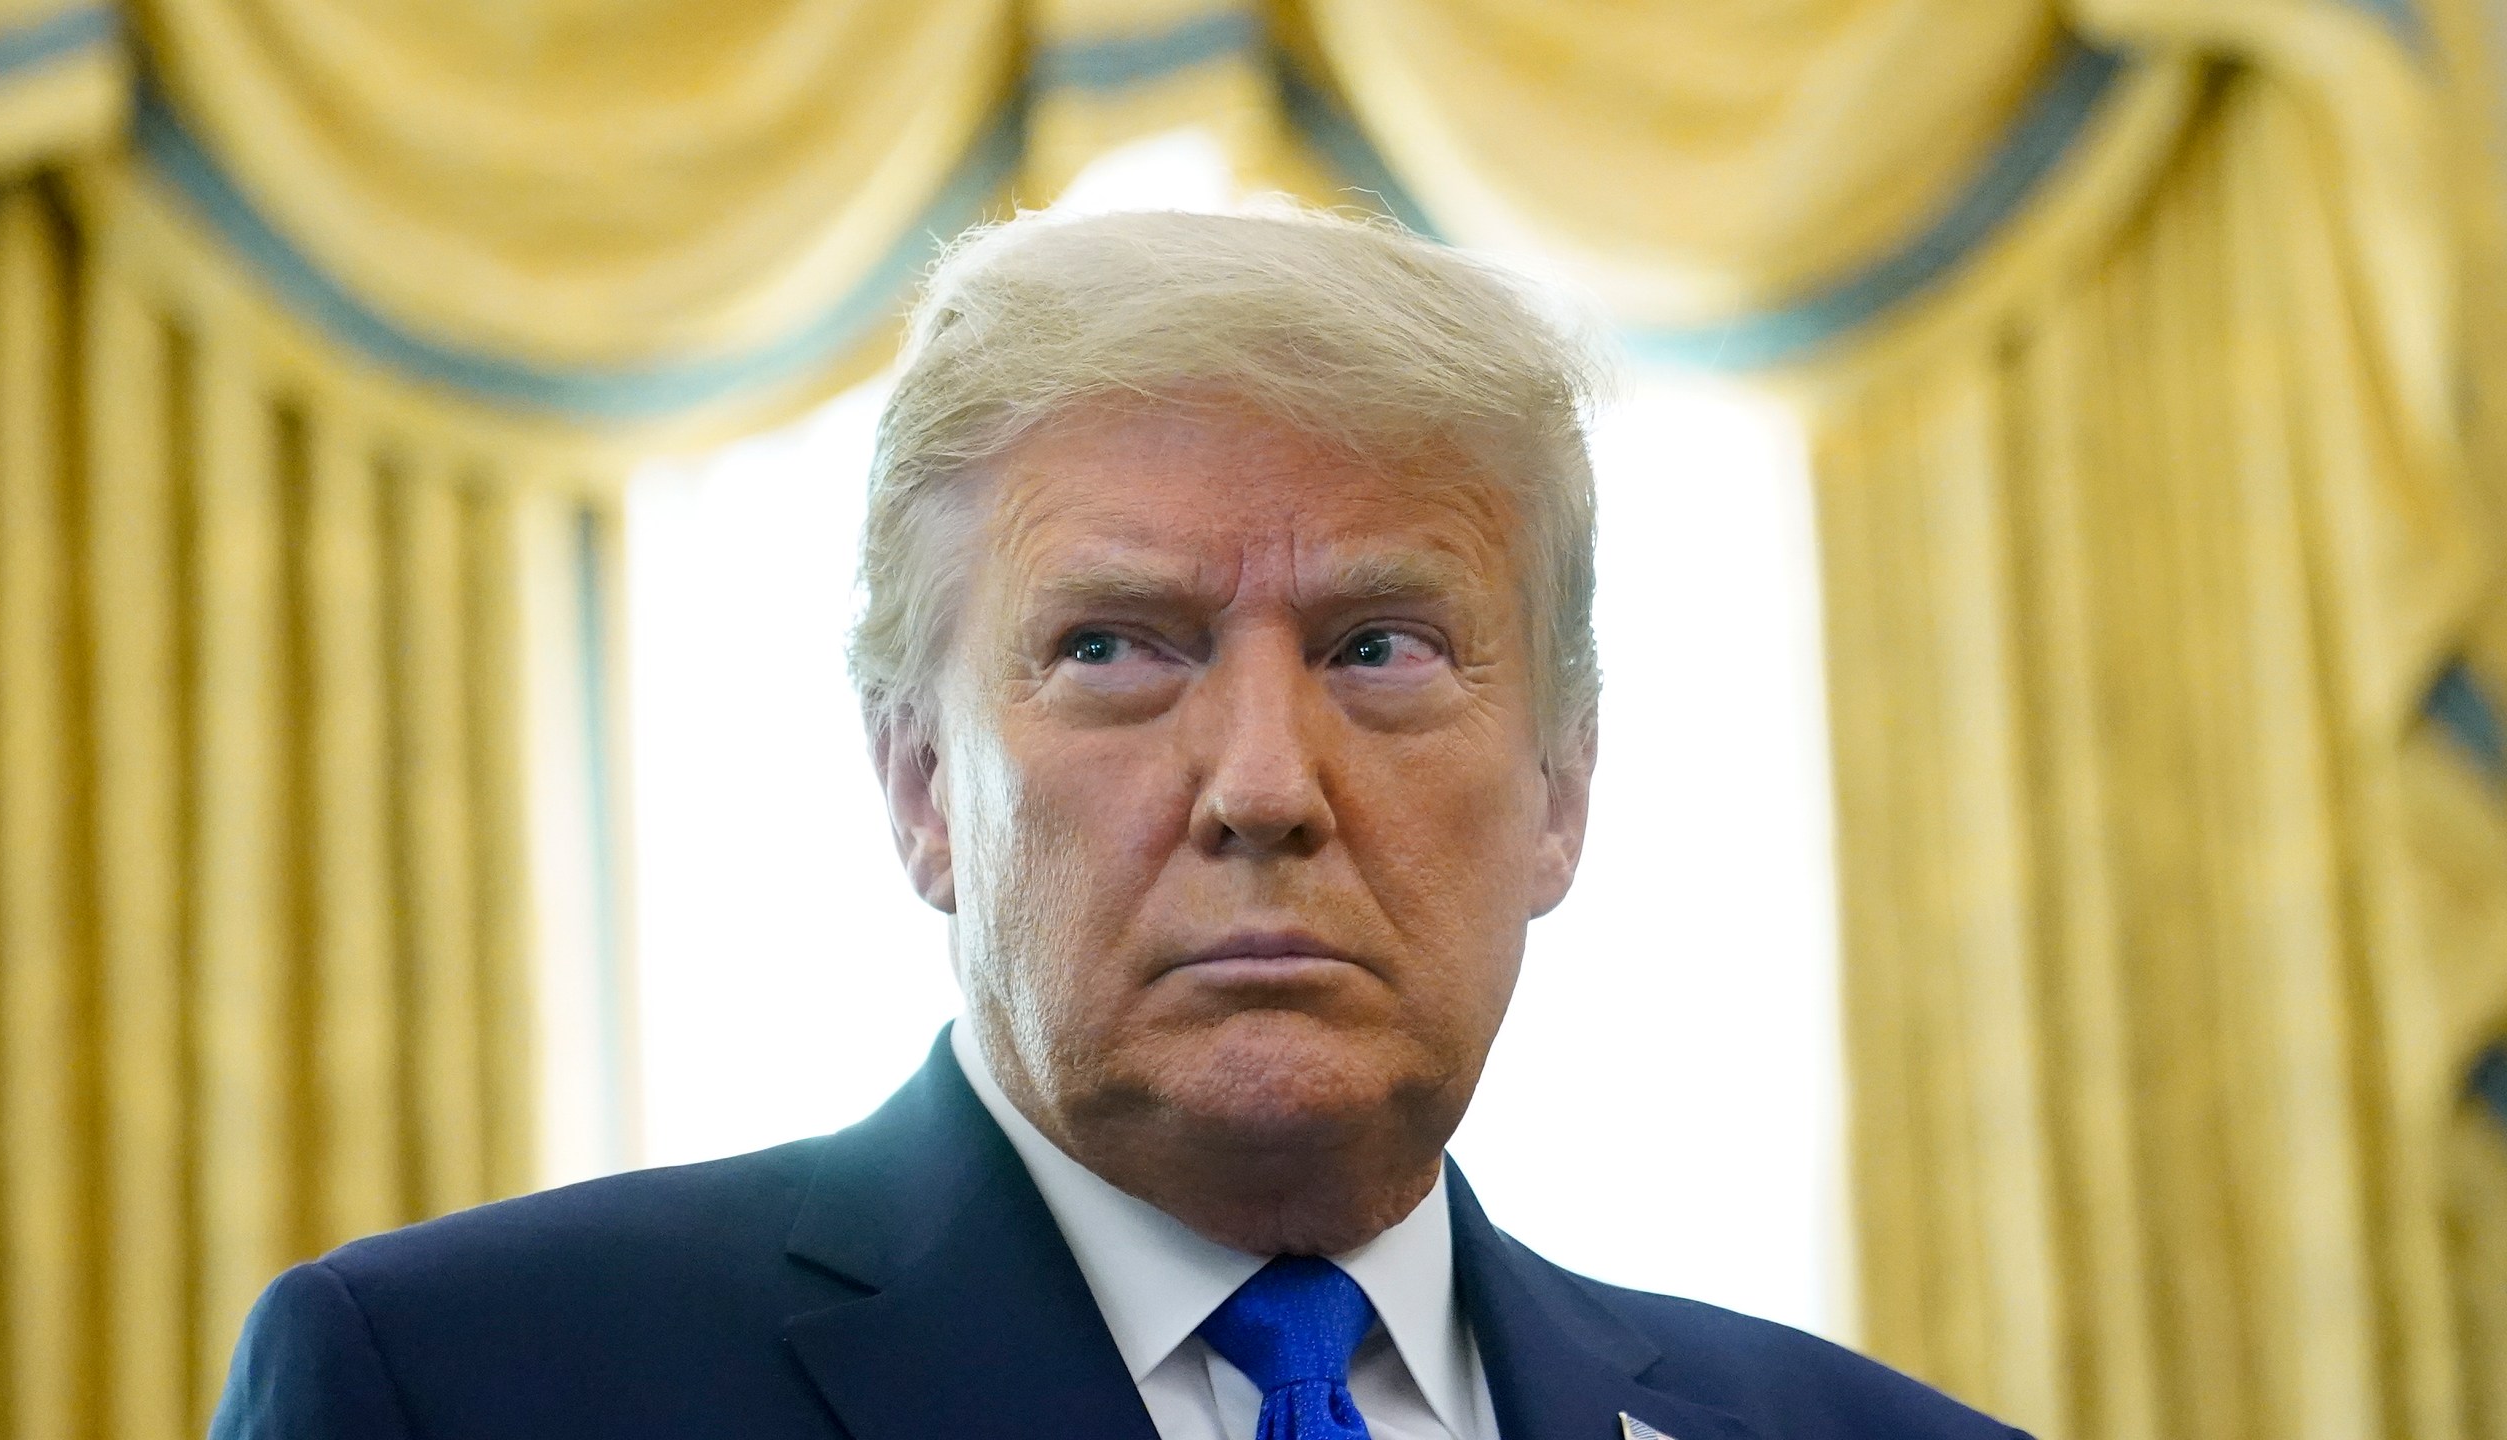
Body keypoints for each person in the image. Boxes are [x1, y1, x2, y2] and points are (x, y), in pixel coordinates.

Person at [210, 207, 2022, 1440]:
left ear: (1564, 788)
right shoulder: (459, 1391)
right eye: (1114, 649)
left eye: (1380, 648)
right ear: (922, 785)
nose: (1261, 785)